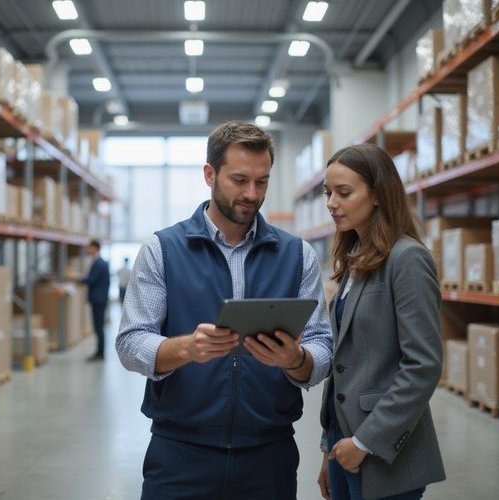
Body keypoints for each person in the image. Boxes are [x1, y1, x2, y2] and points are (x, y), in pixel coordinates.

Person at [116, 120, 333, 499]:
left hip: (269, 454)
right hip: (180, 452)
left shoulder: (297, 255)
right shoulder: (162, 250)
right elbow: (131, 342)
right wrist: (186, 349)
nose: (252, 193)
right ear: (209, 174)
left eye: (262, 181)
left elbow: (322, 346)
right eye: (239, 180)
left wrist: (295, 359)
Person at [317, 143, 446, 499]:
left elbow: (423, 366)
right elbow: (346, 365)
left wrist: (365, 440)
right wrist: (330, 445)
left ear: (377, 195)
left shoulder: (407, 260)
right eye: (328, 193)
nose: (331, 203)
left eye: (344, 193)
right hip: (343, 445)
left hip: (383, 452)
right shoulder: (355, 260)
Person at [80, 240, 110, 361]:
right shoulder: (99, 262)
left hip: (98, 300)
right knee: (98, 326)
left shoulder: (99, 263)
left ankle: (100, 353)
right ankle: (99, 352)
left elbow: (90, 280)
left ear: (95, 248)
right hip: (99, 299)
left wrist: (76, 277)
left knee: (98, 326)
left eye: (89, 247)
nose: (87, 249)